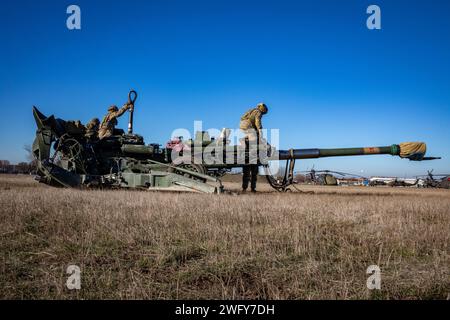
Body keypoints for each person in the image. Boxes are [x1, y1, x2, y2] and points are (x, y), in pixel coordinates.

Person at [239, 103, 268, 192]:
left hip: (243, 126)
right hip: (248, 126)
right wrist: (260, 132)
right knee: (255, 137)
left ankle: (245, 189)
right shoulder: (258, 112)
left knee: (247, 173)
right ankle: (252, 189)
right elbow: (257, 122)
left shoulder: (251, 110)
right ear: (263, 110)